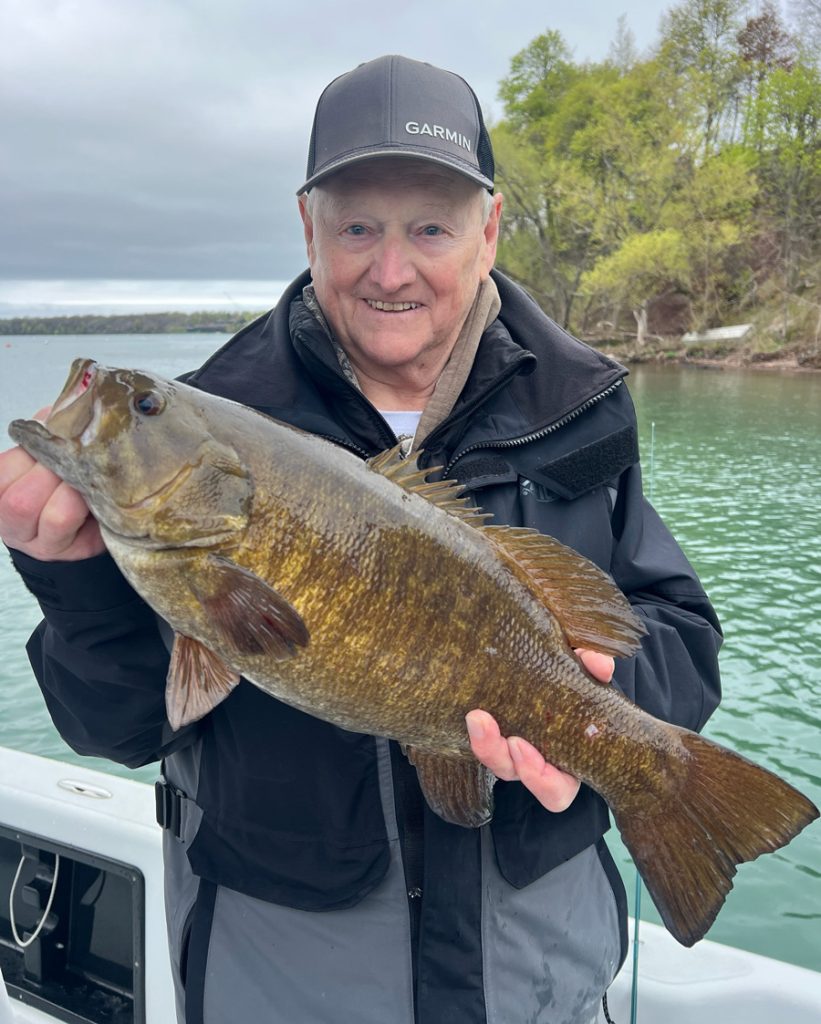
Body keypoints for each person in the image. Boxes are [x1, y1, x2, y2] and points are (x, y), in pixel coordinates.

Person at [0, 55, 722, 1024]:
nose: (391, 268)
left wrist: (590, 711)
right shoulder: (233, 414)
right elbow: (119, 728)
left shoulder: (578, 407)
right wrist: (73, 580)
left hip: (537, 969)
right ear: (308, 227)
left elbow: (678, 632)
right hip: (282, 968)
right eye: (356, 228)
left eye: (428, 226)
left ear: (488, 229)